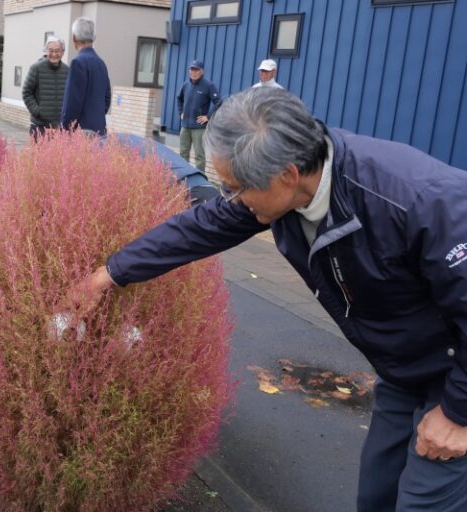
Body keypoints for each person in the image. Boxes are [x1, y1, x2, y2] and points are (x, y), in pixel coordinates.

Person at [73, 87, 467, 512]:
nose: (231, 199)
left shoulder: (421, 202)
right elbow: (199, 228)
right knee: (377, 496)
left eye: (235, 188)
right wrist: (109, 273)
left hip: (456, 374)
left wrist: (457, 414)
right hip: (405, 368)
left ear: (288, 174)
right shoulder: (282, 189)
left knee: (424, 502)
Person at [60, 17, 111, 136]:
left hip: (81, 134)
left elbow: (72, 103)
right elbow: (107, 98)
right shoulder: (101, 63)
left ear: (74, 38)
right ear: (94, 38)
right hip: (100, 130)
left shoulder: (78, 63)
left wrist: (64, 129)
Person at [176, 60, 221, 173]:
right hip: (185, 126)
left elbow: (219, 102)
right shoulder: (186, 84)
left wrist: (208, 116)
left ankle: (199, 179)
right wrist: (180, 112)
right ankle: (184, 176)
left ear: (202, 71)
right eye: (192, 69)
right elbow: (179, 98)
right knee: (183, 153)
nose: (193, 72)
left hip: (199, 128)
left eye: (196, 70)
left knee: (199, 156)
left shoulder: (208, 85)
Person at [22, 37, 69, 139]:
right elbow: (26, 92)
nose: (54, 54)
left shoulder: (67, 71)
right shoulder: (36, 68)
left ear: (63, 52)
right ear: (46, 51)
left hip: (59, 128)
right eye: (50, 50)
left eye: (57, 51)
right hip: (39, 126)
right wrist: (38, 111)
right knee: (38, 154)